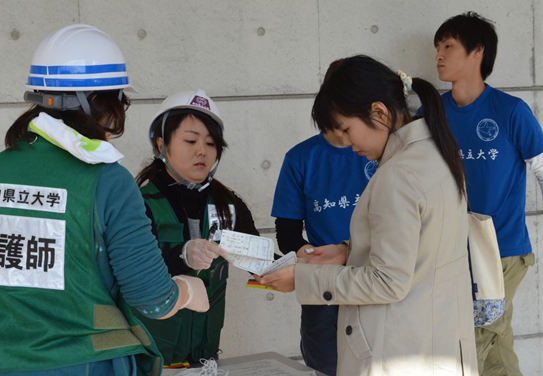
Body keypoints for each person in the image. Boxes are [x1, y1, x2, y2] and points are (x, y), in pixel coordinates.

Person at [0, 24, 209, 376]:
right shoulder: (108, 181)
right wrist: (187, 291)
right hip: (83, 364)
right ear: (101, 104)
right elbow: (153, 299)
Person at [255, 55, 478, 376]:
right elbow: (422, 241)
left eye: (346, 129)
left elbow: (388, 282)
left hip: (398, 350)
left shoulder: (397, 174)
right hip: (438, 342)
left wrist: (302, 278)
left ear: (379, 111)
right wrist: (348, 249)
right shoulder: (436, 150)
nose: (346, 143)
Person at [432, 12, 543, 375]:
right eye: (437, 47)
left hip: (502, 253)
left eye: (448, 45)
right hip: (449, 250)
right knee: (495, 345)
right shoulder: (431, 114)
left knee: (474, 339)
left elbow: (541, 166)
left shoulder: (511, 110)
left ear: (477, 52)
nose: (439, 55)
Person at [134, 89, 260, 366]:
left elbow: (258, 258)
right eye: (190, 140)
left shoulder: (228, 203)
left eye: (211, 143)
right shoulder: (137, 203)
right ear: (161, 144)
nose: (202, 150)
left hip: (205, 357)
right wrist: (182, 252)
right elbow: (130, 267)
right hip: (150, 360)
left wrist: (294, 264)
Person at [271, 59, 374, 376]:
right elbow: (287, 232)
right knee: (325, 366)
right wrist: (304, 253)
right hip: (322, 291)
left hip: (373, 280)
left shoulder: (381, 153)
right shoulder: (301, 158)